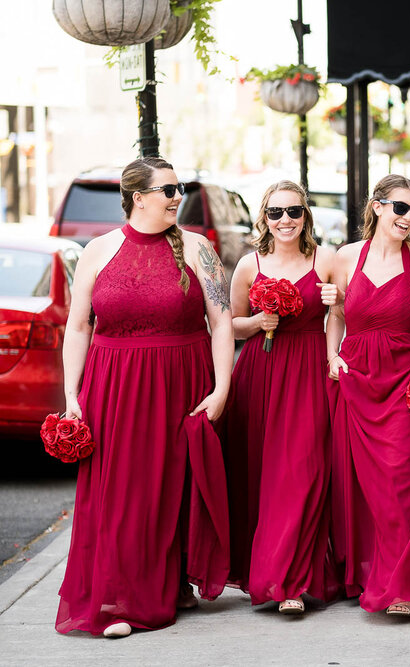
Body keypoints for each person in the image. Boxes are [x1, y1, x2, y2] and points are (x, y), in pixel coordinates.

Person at [57, 157, 232, 638]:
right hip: (114, 386)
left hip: (183, 381)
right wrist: (73, 395)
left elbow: (220, 323)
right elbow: (78, 326)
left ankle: (172, 585)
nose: (179, 197)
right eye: (169, 190)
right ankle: (121, 603)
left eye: (179, 189)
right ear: (138, 197)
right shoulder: (98, 250)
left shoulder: (198, 248)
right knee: (123, 495)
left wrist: (222, 388)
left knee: (173, 489)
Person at [327, 174, 410, 618]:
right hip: (357, 378)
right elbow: (336, 312)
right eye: (400, 208)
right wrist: (332, 356)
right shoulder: (345, 257)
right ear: (376, 207)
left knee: (403, 484)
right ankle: (370, 572)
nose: (408, 218)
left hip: (404, 380)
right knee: (365, 487)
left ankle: (402, 587)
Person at [222, 180, 340, 614]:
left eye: (293, 212)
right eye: (276, 213)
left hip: (309, 372)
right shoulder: (249, 265)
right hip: (261, 375)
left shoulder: (325, 259)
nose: (285, 221)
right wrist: (258, 322)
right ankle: (275, 578)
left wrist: (337, 307)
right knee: (264, 477)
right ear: (264, 218)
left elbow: (340, 315)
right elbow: (228, 324)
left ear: (305, 216)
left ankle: (292, 579)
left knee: (304, 471)